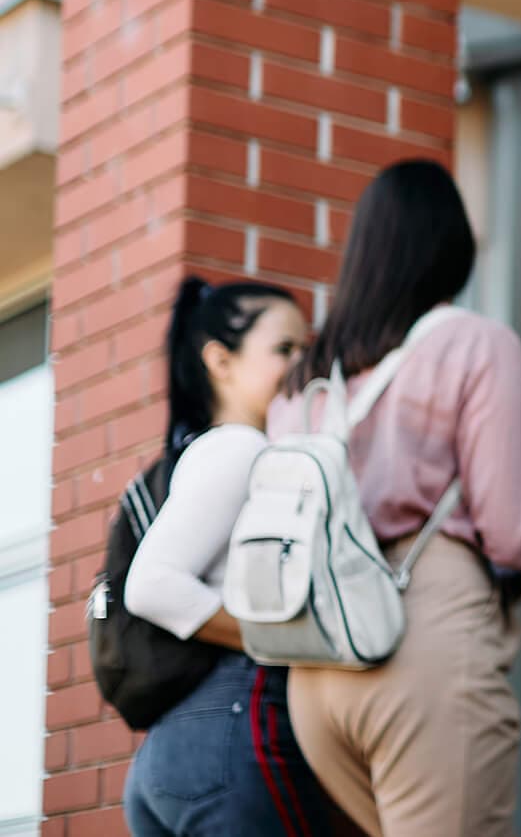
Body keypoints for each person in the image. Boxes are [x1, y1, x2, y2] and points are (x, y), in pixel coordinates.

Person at [271, 159, 521, 837]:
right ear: (451, 249)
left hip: (313, 667)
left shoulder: (305, 379)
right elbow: (514, 530)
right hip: (420, 637)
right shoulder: (477, 343)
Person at [121, 277, 338, 837]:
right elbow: (152, 584)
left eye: (305, 348)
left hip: (171, 752)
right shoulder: (243, 448)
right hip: (234, 738)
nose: (302, 363)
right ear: (220, 360)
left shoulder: (211, 452)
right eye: (284, 348)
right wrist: (280, 638)